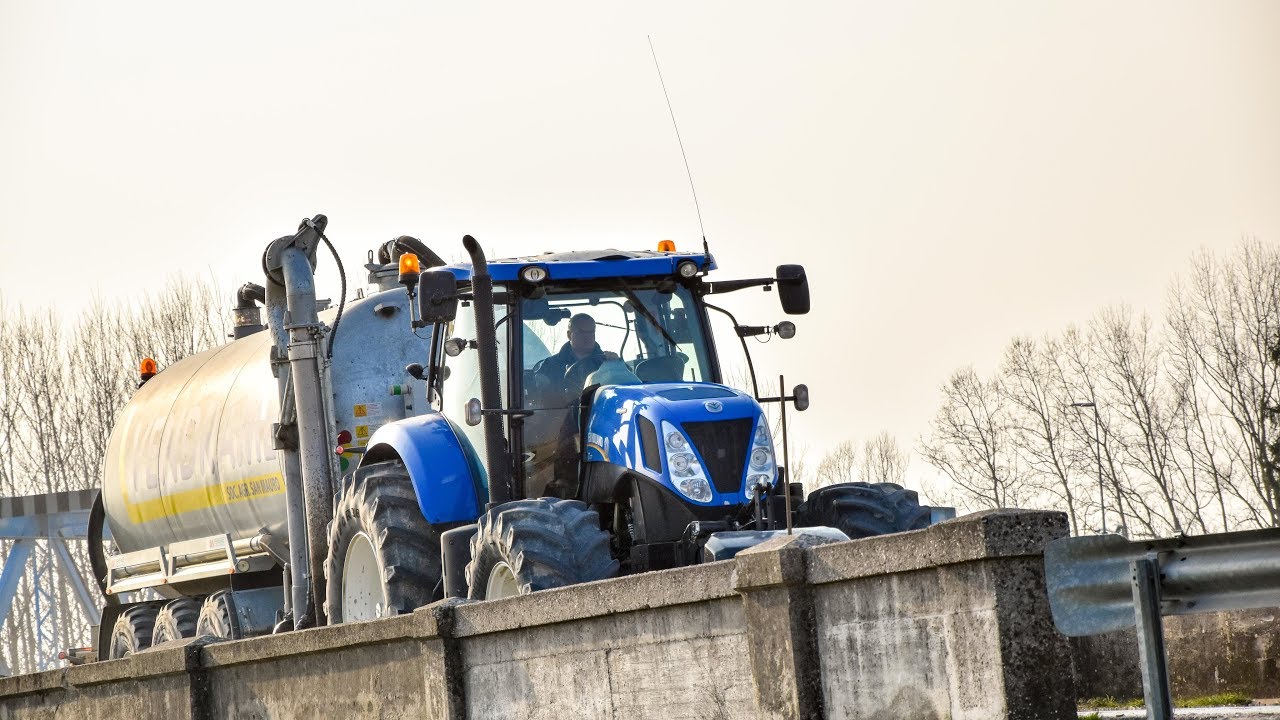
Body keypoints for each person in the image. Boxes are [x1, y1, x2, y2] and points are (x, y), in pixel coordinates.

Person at [531, 313, 616, 394]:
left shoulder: (608, 364)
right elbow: (540, 399)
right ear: (569, 335)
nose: (588, 337)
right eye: (581, 332)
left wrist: (618, 364)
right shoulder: (549, 366)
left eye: (591, 332)